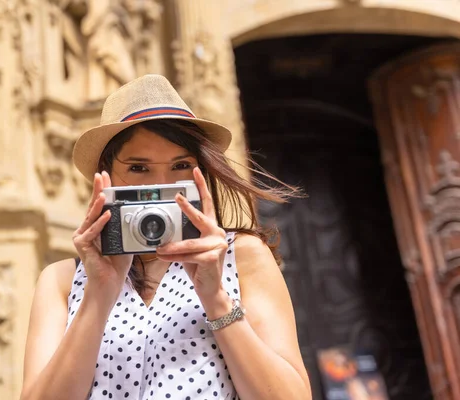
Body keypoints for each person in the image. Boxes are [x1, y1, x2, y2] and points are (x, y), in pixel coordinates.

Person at [20, 74, 312, 400]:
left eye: (181, 165)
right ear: (105, 176)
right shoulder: (62, 281)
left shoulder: (240, 256)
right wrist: (99, 293)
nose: (160, 184)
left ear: (202, 171)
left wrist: (216, 299)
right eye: (139, 168)